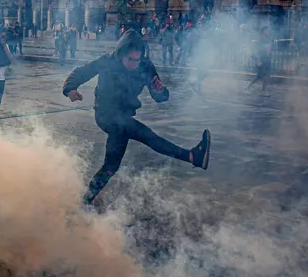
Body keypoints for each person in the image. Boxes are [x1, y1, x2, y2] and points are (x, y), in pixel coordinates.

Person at [63, 30, 212, 205]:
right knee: (147, 135)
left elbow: (161, 96)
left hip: (124, 118)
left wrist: (160, 91)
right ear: (121, 55)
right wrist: (70, 89)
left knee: (111, 166)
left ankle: (85, 200)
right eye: (130, 60)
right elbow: (80, 73)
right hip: (106, 115)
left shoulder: (145, 67)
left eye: (137, 59)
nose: (134, 64)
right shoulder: (107, 62)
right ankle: (192, 156)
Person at [245, 26, 273, 96]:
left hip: (267, 60)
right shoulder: (259, 40)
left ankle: (263, 91)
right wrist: (257, 59)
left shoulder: (269, 40)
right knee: (259, 76)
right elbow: (254, 51)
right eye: (267, 30)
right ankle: (247, 88)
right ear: (263, 31)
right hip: (261, 60)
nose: (268, 32)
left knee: (267, 76)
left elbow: (269, 51)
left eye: (268, 30)